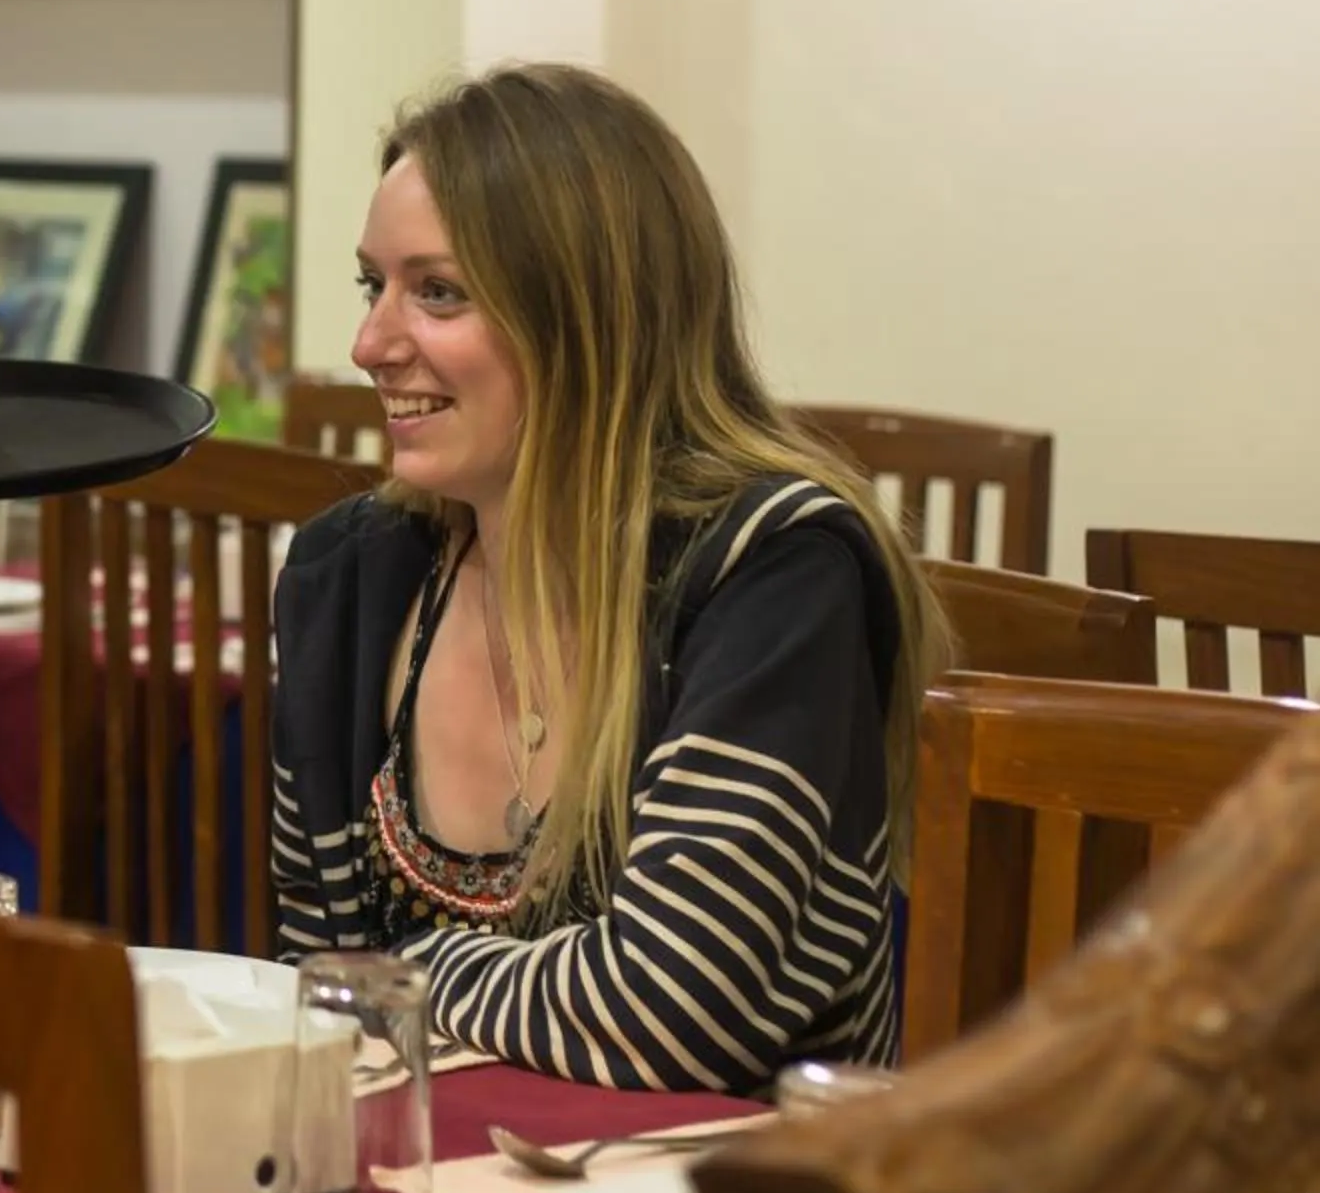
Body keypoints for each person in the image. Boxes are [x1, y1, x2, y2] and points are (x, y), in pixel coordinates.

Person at [269, 64, 949, 1093]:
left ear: (590, 319)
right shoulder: (350, 579)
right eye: (376, 285)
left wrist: (399, 976)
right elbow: (312, 1004)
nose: (370, 343)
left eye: (438, 292)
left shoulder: (770, 571)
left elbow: (671, 1015)